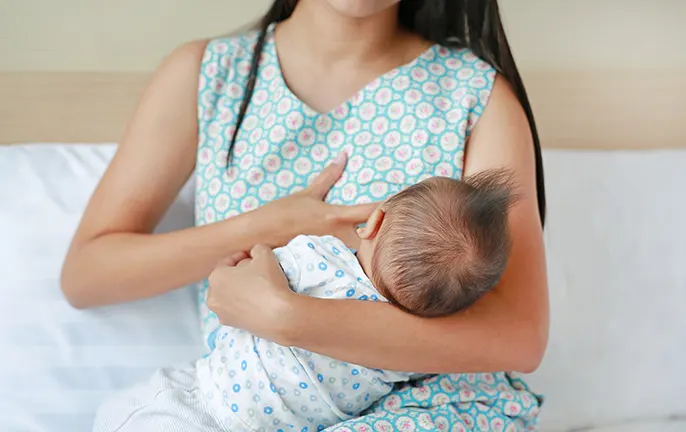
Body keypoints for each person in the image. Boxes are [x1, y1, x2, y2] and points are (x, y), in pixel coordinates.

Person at [62, 0, 549, 430]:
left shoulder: (476, 96)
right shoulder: (209, 75)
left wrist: (291, 317)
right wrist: (264, 227)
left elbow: (520, 340)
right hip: (254, 410)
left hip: (435, 411)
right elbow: (87, 274)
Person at [94, 170, 518, 432]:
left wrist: (253, 256)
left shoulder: (320, 257)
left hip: (201, 400)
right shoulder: (405, 357)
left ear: (376, 220)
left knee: (120, 416)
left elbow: (245, 279)